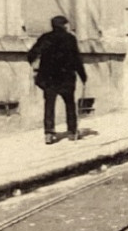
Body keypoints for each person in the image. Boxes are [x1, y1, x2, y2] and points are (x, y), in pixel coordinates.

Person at [27, 15, 88, 144]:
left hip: (49, 78)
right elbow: (76, 58)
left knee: (49, 105)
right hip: (66, 77)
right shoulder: (70, 39)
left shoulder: (46, 38)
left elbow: (32, 54)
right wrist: (83, 75)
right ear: (64, 25)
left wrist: (34, 64)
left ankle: (49, 133)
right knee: (70, 104)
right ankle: (72, 132)